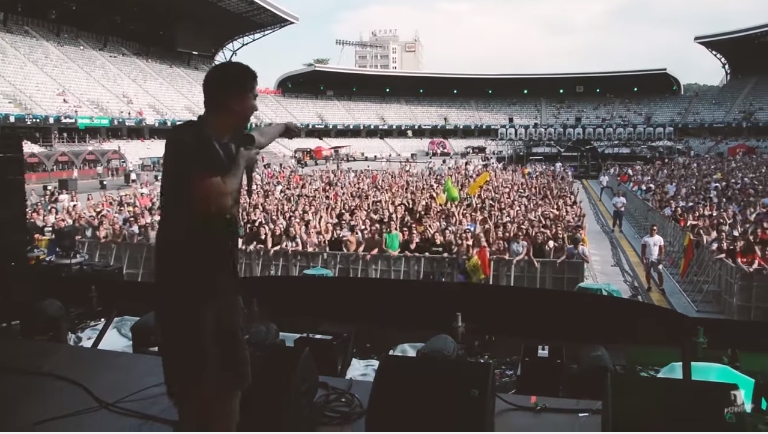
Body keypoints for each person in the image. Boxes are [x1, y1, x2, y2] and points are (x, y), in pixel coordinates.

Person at [153, 61, 298, 431]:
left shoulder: (229, 140)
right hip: (189, 288)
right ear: (234, 100)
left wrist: (284, 127)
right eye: (252, 97)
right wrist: (240, 162)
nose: (256, 105)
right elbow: (215, 199)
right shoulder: (188, 141)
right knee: (200, 385)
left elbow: (259, 136)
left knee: (229, 379)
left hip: (217, 281)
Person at [641, 224, 665, 294]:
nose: (652, 231)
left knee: (660, 273)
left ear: (656, 230)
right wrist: (643, 258)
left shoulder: (660, 239)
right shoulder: (645, 239)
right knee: (647, 272)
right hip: (648, 258)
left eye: (654, 230)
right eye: (651, 229)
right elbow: (643, 250)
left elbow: (662, 249)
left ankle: (661, 287)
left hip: (656, 259)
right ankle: (649, 286)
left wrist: (661, 258)